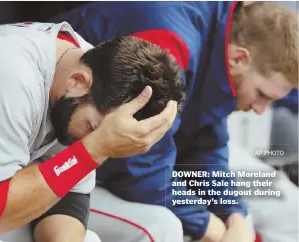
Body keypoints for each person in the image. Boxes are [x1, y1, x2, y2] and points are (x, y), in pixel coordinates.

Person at [0, 21, 184, 242]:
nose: (90, 138)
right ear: (78, 81)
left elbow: (67, 201)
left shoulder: (90, 73)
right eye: (92, 129)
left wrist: (91, 148)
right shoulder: (6, 74)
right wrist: (95, 150)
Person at [51, 2, 298, 242]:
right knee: (163, 227)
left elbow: (205, 144)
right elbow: (136, 160)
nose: (260, 110)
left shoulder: (218, 40)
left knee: (259, 217)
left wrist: (233, 213)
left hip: (112, 159)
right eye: (262, 95)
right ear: (239, 58)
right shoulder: (170, 40)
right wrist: (206, 224)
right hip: (50, 147)